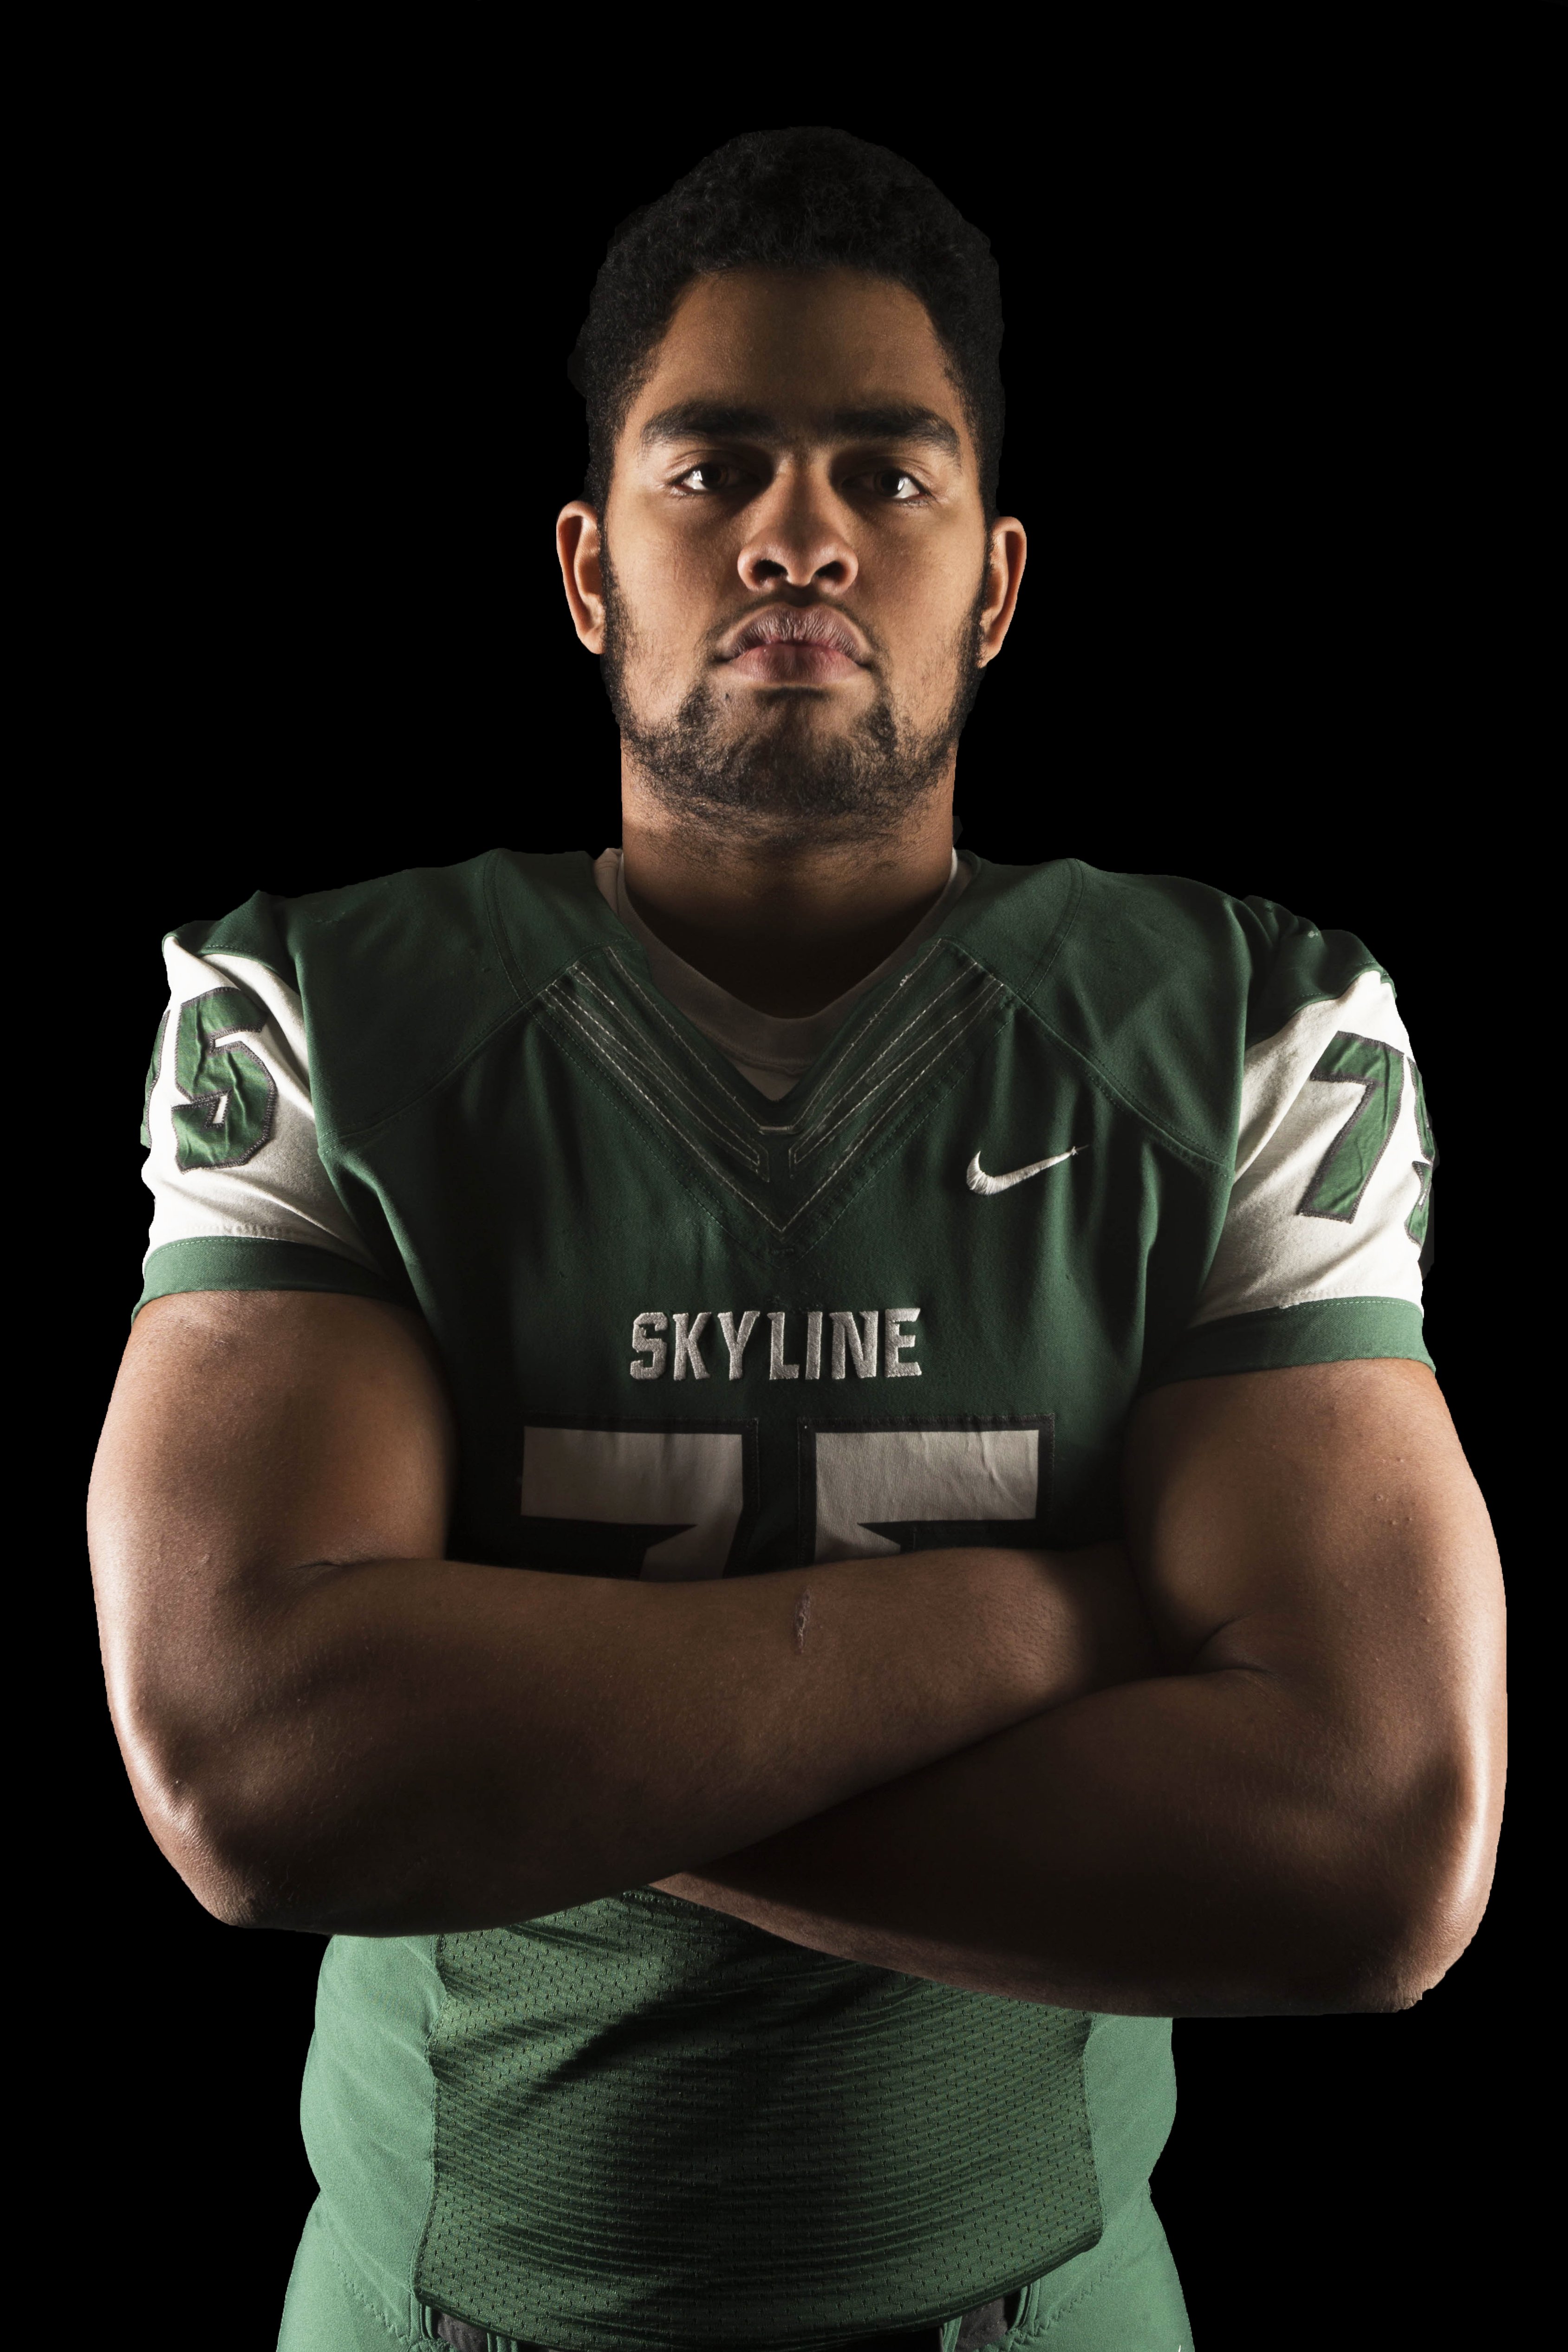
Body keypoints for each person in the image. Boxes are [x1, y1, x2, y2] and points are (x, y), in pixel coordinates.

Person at [87, 127, 1505, 2352]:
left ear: (997, 584)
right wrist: (1040, 1621)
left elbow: (1365, 1847)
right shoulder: (320, 1014)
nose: (796, 531)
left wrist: (513, 1740)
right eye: (714, 463)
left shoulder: (1248, 1025)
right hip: (441, 2312)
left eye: (884, 470)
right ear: (587, 568)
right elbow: (261, 1769)